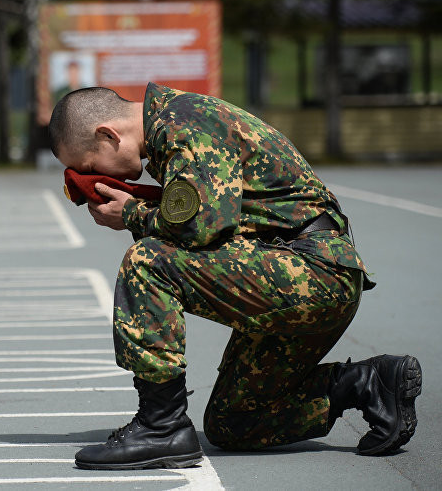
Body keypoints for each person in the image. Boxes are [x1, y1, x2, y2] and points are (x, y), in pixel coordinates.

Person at [48, 83, 421, 470]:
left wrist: (132, 214)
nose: (90, 178)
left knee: (148, 263)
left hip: (312, 272)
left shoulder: (182, 123)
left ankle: (161, 427)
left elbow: (203, 226)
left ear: (108, 135)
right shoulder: (170, 128)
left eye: (89, 166)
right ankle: (368, 383)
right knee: (234, 423)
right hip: (297, 273)